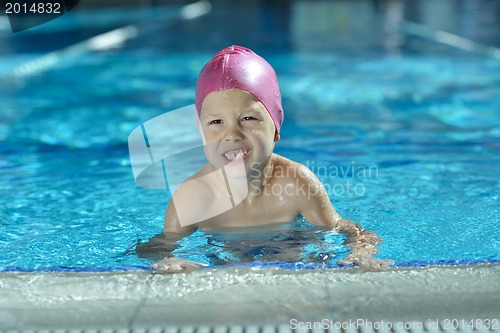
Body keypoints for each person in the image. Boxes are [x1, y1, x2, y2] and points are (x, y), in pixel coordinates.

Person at [136, 45, 394, 273]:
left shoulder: (297, 182)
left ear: (276, 127)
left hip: (292, 255)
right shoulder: (192, 198)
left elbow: (348, 231)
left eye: (248, 119)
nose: (232, 134)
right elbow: (158, 247)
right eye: (216, 122)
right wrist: (166, 261)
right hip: (226, 263)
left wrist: (360, 252)